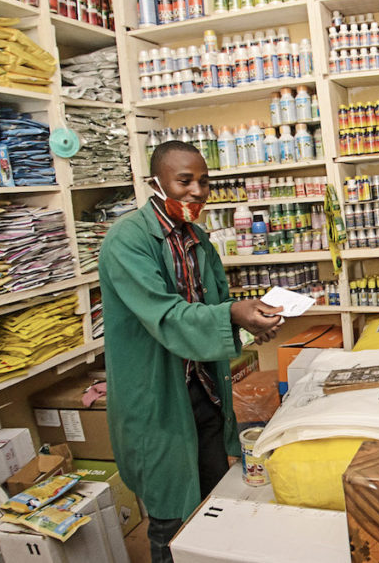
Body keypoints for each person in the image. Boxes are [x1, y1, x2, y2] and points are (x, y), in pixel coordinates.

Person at [99, 141, 284, 563]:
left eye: (204, 181)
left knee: (213, 503)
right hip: (158, 399)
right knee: (171, 516)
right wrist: (235, 315)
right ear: (156, 182)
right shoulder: (127, 240)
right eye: (184, 180)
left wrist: (253, 325)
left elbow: (217, 302)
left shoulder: (197, 237)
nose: (197, 190)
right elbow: (166, 315)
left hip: (204, 394)